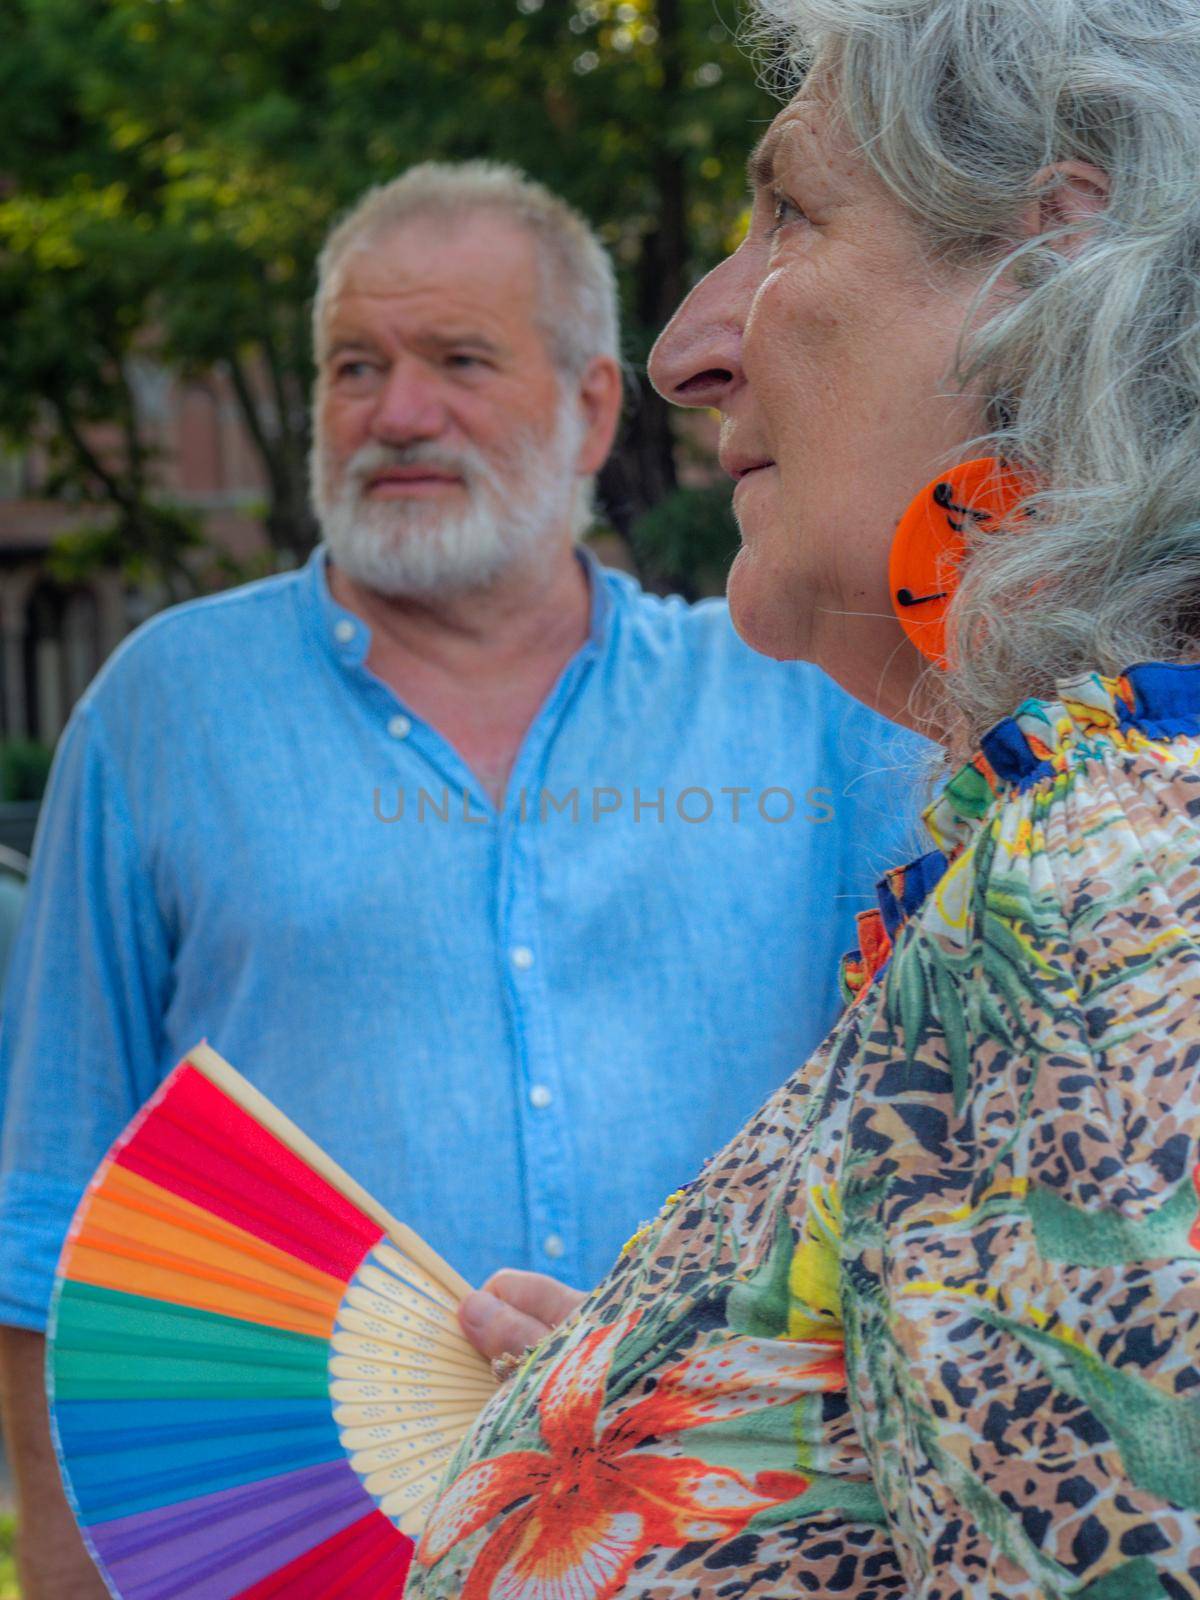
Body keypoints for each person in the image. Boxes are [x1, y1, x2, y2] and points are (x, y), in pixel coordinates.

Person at [0, 164, 923, 1597]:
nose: (398, 412)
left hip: (734, 1545)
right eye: (354, 367)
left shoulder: (799, 705)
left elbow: (930, 1153)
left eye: (458, 361)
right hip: (290, 1554)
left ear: (595, 407)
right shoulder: (163, 712)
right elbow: (47, 1222)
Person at [408, 4, 1200, 1596]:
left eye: (789, 212)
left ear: (1056, 275)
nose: (687, 345)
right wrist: (686, 1405)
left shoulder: (1103, 877)